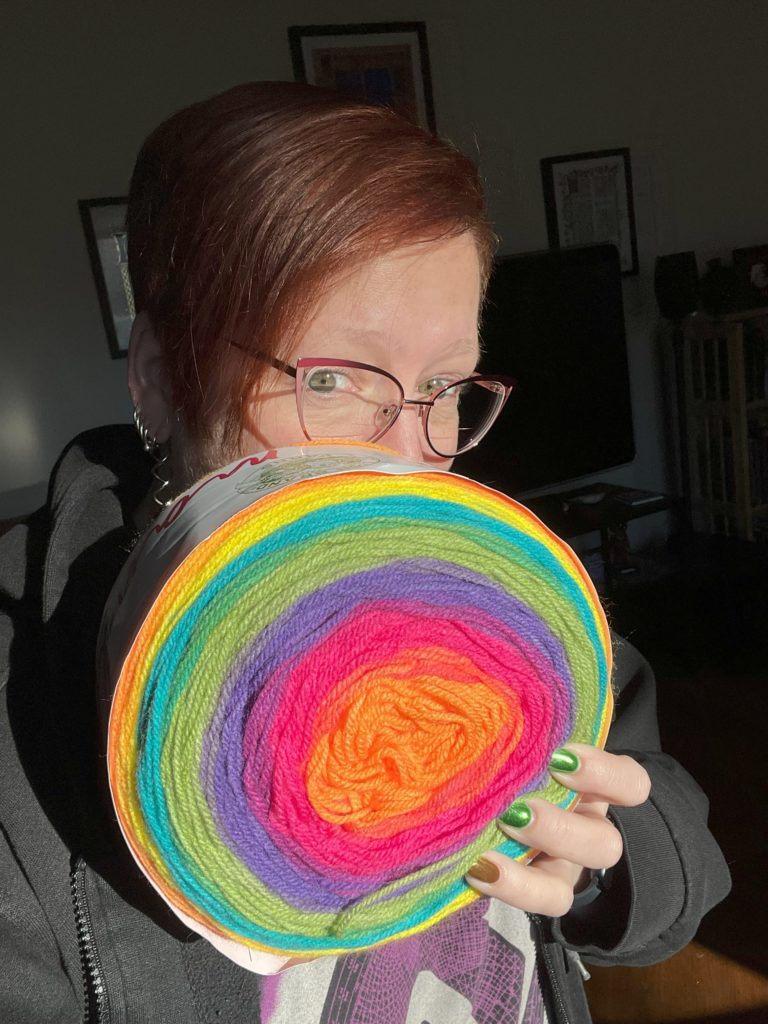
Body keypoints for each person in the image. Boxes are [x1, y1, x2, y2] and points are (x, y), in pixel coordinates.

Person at [0, 82, 730, 1024]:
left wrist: (602, 866)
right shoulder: (25, 702)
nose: (407, 458)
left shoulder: (480, 587)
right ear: (162, 376)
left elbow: (679, 853)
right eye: (335, 378)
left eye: (445, 386)